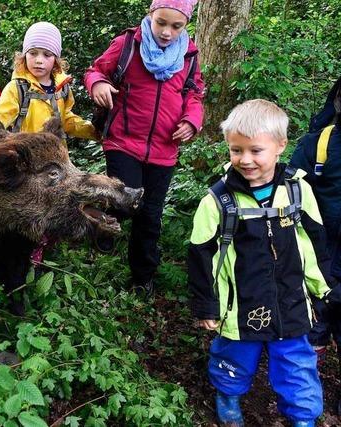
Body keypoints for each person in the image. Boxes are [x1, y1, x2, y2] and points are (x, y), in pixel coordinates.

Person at [188, 99, 339, 427]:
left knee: (297, 365)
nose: (245, 160)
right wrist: (206, 306)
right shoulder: (218, 201)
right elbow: (201, 254)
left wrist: (323, 288)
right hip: (241, 306)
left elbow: (315, 243)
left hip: (291, 303)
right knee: (233, 358)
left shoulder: (298, 192)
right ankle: (228, 395)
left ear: (280, 146)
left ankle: (302, 416)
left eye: (256, 150)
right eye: (236, 150)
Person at [84, 0, 204, 297]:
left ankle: (142, 279)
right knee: (125, 201)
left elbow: (194, 93)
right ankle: (103, 225)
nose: (166, 32)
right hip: (123, 141)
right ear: (150, 16)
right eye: (161, 22)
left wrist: (192, 120)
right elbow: (95, 71)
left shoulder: (188, 55)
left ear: (186, 25)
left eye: (176, 26)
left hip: (164, 150)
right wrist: (97, 83)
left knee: (150, 216)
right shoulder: (128, 44)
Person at [290, 76, 341, 412]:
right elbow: (290, 188)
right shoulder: (317, 144)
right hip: (321, 253)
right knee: (315, 322)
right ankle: (306, 390)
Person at [0, 21, 98, 140]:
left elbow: (67, 120)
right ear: (24, 56)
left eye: (47, 55)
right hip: (25, 154)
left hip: (55, 155)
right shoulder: (16, 88)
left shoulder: (62, 88)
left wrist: (94, 131)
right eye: (33, 53)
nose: (39, 60)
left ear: (56, 59)